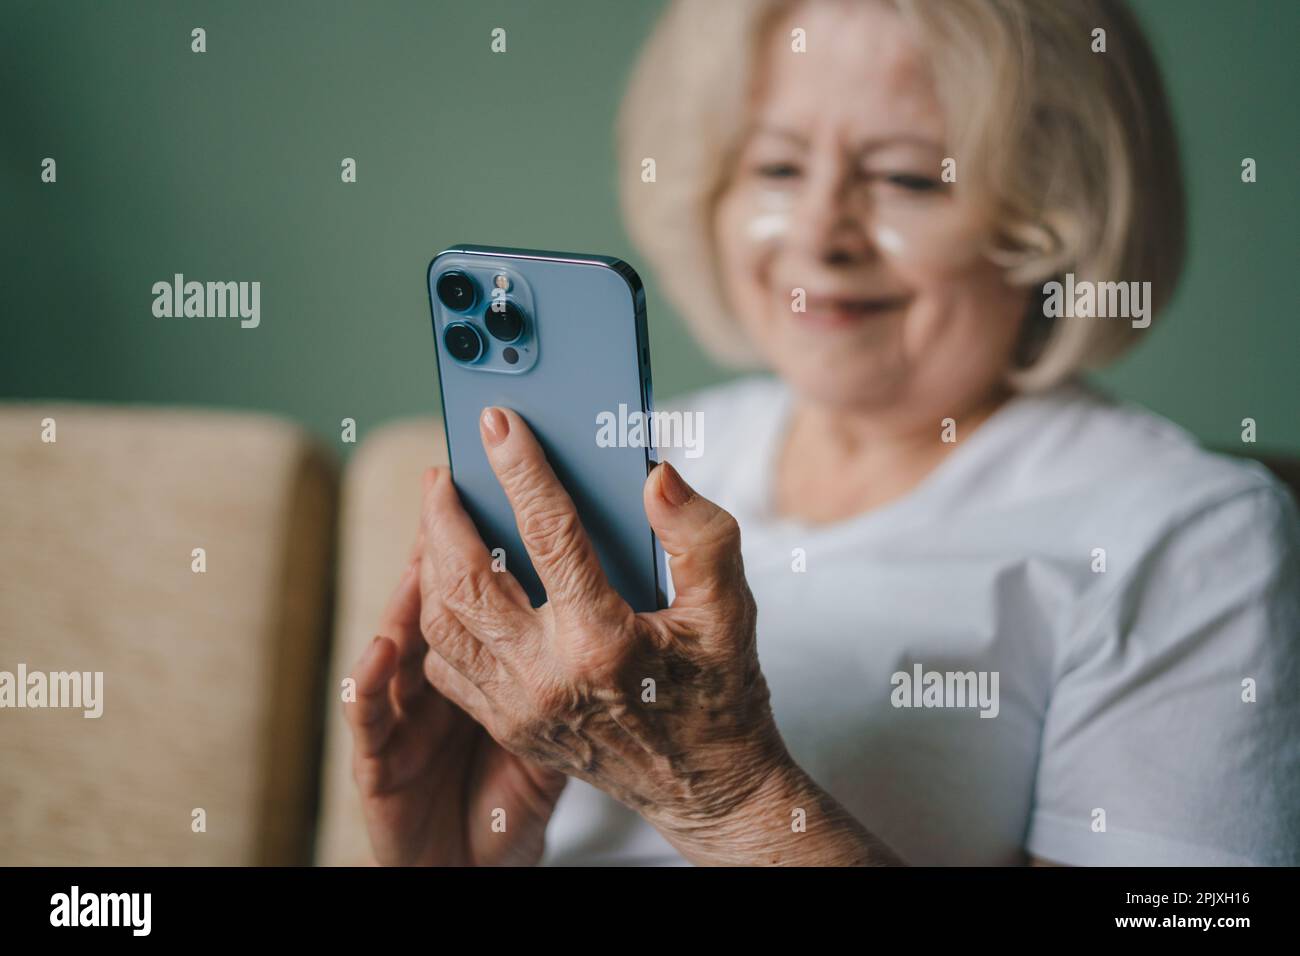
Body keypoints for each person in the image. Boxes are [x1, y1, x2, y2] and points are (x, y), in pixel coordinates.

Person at [344, 0, 1299, 866]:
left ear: (1059, 210)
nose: (818, 231)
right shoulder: (655, 452)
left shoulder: (1187, 533)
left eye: (907, 177)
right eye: (778, 166)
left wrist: (727, 799)